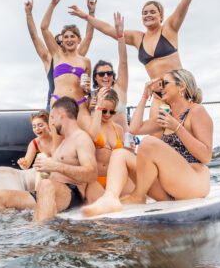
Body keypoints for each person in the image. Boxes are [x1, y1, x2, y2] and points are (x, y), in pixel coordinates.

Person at [69, 0, 207, 117]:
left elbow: (185, 1)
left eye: (152, 12)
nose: (148, 15)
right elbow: (109, 30)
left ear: (161, 16)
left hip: (178, 89)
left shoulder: (169, 29)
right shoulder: (138, 38)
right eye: (145, 13)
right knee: (157, 135)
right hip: (158, 94)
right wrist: (86, 15)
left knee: (183, 130)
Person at [83, 70, 212, 217]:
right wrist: (145, 95)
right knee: (120, 154)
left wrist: (176, 127)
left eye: (165, 83)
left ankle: (138, 195)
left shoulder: (196, 111)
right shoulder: (167, 117)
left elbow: (206, 156)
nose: (161, 87)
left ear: (181, 86)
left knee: (149, 142)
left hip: (192, 183)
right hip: (168, 188)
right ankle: (110, 198)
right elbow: (134, 128)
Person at [0, 97, 97, 221]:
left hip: (70, 192)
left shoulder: (81, 138)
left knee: (45, 184)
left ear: (61, 115)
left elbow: (91, 173)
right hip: (45, 193)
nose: (52, 123)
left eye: (52, 118)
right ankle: (19, 227)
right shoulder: (64, 141)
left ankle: (37, 233)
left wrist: (55, 166)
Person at [25, 0, 96, 109]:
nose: (65, 42)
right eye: (59, 41)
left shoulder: (79, 57)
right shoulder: (50, 58)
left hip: (76, 103)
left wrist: (91, 12)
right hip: (55, 103)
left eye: (71, 37)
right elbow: (35, 36)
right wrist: (29, 14)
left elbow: (88, 37)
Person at [41, 0, 92, 126]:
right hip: (58, 102)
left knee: (89, 137)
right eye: (66, 37)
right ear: (62, 40)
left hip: (79, 104)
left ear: (78, 40)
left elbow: (87, 88)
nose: (69, 39)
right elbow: (44, 28)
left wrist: (91, 13)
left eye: (72, 36)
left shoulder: (85, 61)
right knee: (58, 144)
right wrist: (52, 4)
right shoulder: (57, 55)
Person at [85, 88, 131, 203]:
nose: (107, 115)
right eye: (104, 111)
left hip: (115, 180)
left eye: (112, 112)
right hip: (95, 181)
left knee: (133, 206)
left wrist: (129, 150)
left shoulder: (118, 129)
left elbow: (121, 157)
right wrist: (98, 109)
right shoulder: (90, 123)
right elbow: (94, 137)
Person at [90, 12, 129, 132]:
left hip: (123, 140)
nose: (106, 76)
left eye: (109, 73)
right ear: (95, 78)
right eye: (101, 74)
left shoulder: (119, 88)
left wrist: (120, 36)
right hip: (102, 142)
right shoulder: (91, 96)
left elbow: (123, 62)